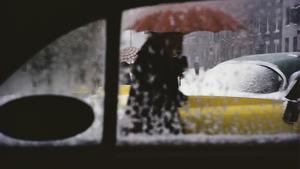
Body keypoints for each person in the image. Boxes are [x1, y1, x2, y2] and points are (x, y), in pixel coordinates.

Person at [121, 32, 188, 135]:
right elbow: (162, 91)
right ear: (169, 36)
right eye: (179, 37)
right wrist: (175, 69)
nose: (181, 41)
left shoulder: (154, 52)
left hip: (148, 120)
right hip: (152, 122)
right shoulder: (155, 56)